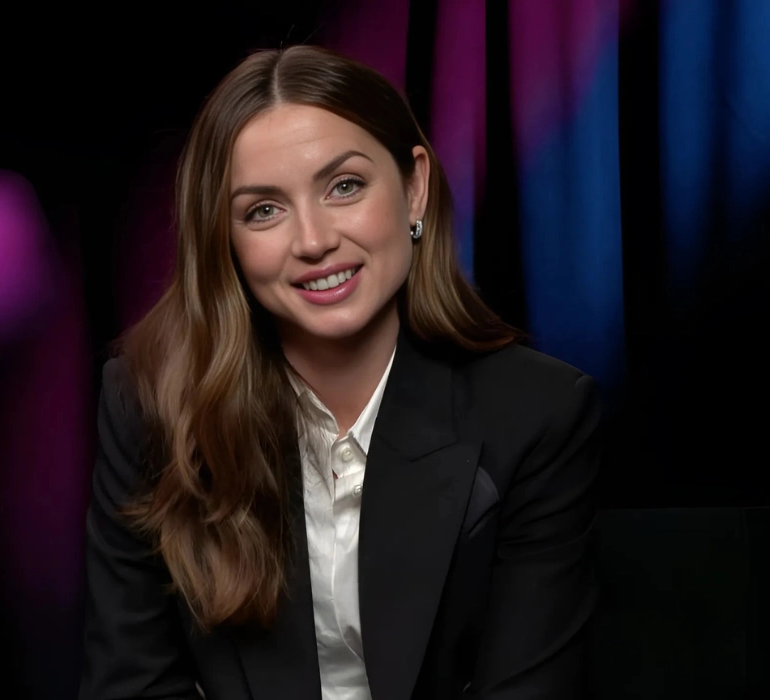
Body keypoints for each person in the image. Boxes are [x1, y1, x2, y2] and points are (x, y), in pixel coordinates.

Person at [80, 44, 601, 700]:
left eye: (344, 186)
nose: (313, 240)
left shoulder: (538, 413)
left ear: (413, 187)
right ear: (225, 241)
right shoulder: (147, 403)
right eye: (263, 210)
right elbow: (131, 685)